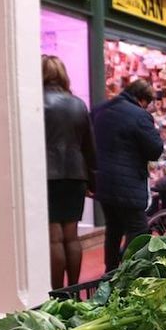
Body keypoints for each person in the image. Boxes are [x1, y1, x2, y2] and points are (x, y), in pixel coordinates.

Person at [93, 78, 164, 272]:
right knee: (138, 228)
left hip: (103, 181)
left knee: (113, 227)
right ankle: (128, 271)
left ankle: (110, 271)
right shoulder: (139, 115)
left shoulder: (100, 110)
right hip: (129, 182)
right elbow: (155, 150)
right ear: (143, 100)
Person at [42, 55, 96, 290]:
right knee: (72, 236)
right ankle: (73, 287)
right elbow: (89, 146)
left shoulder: (37, 102)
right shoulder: (78, 104)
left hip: (47, 174)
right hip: (76, 173)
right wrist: (92, 180)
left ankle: (57, 292)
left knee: (54, 237)